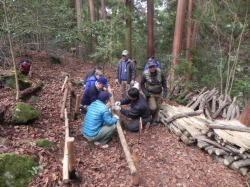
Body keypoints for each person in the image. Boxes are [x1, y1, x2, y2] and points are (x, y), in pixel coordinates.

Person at [140, 60, 167, 126]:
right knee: (153, 107)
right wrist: (145, 92)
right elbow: (142, 84)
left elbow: (164, 82)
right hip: (150, 93)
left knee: (158, 107)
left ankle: (154, 120)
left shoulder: (160, 72)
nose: (152, 68)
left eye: (153, 66)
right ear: (148, 67)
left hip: (159, 92)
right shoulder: (145, 73)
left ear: (156, 66)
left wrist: (165, 90)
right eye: (150, 67)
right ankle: (148, 117)